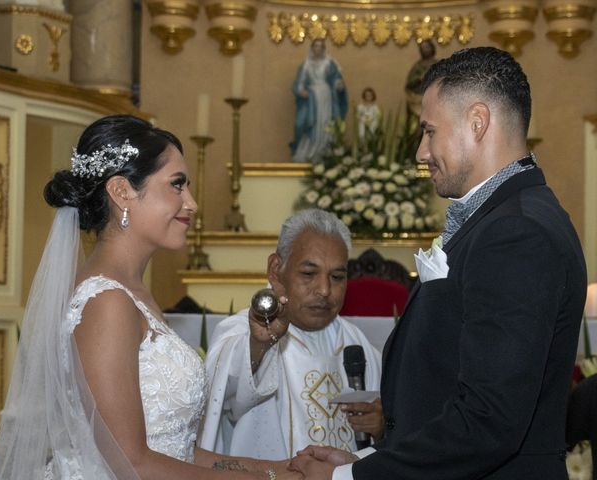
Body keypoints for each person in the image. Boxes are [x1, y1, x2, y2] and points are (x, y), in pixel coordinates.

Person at [290, 47, 587, 479]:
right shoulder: (505, 219)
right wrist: (370, 461)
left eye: (429, 131)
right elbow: (443, 391)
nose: (420, 152)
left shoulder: (515, 234)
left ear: (478, 121)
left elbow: (488, 421)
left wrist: (348, 479)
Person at [0, 115, 300, 480]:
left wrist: (279, 468)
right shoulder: (106, 301)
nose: (192, 203)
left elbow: (173, 449)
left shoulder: (132, 293)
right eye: (177, 186)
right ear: (122, 192)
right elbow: (130, 462)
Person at [199, 209, 383, 460]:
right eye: (308, 274)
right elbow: (225, 396)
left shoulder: (357, 345)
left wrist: (382, 427)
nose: (324, 290)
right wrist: (259, 346)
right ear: (276, 270)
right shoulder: (243, 333)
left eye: (337, 277)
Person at [290, 39, 348, 163]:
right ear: (312, 48)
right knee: (305, 123)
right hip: (311, 98)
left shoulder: (329, 63)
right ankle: (310, 151)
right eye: (316, 46)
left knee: (326, 122)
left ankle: (325, 150)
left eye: (321, 46)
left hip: (326, 96)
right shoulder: (305, 64)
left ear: (324, 49)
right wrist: (301, 90)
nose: (318, 49)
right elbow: (299, 82)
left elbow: (336, 77)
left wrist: (338, 83)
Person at [405, 39, 437, 136]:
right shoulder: (417, 66)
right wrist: (419, 78)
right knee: (415, 130)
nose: (425, 50)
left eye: (427, 47)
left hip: (434, 101)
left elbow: (444, 81)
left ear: (432, 48)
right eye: (422, 48)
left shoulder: (438, 64)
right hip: (417, 101)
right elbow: (409, 83)